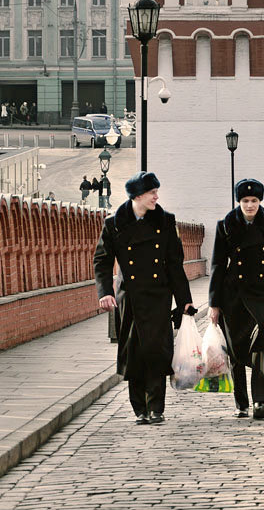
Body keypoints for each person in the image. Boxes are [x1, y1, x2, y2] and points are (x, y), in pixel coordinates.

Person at [94, 171, 194, 424]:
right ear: (137, 196)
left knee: (157, 352)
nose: (156, 197)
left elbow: (174, 264)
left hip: (159, 296)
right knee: (134, 353)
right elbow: (102, 261)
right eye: (152, 193)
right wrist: (105, 292)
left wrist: (185, 301)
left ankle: (156, 407)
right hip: (129, 299)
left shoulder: (165, 221)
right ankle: (139, 408)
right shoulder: (114, 223)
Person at [208, 179, 264, 420]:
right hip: (232, 295)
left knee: (261, 347)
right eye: (245, 201)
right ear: (239, 202)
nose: (250, 205)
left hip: (263, 294)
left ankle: (260, 401)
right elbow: (217, 265)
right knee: (236, 351)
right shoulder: (225, 225)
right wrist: (214, 303)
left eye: (254, 201)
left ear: (260, 201)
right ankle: (241, 403)